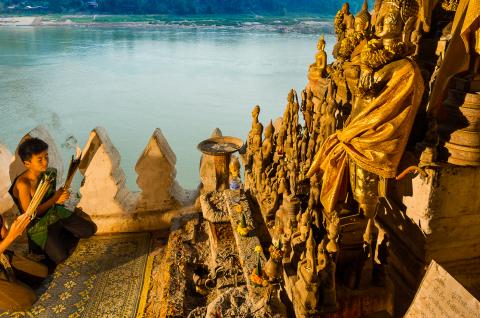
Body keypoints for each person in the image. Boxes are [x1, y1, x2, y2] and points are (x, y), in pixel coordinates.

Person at [9, 138, 96, 265]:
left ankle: (60, 233)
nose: (45, 162)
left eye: (46, 156)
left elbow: (51, 199)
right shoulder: (23, 184)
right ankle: (47, 243)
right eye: (40, 159)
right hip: (38, 225)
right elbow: (32, 214)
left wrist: (59, 198)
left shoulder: (49, 174)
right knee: (61, 257)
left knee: (90, 230)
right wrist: (55, 198)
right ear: (27, 163)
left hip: (55, 213)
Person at [0, 213, 48, 312]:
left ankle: (10, 281)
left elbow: (3, 236)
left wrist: (13, 225)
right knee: (28, 299)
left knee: (42, 272)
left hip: (2, 258)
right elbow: (8, 239)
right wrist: (11, 237)